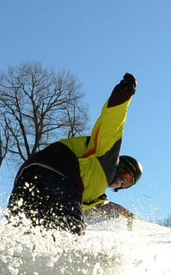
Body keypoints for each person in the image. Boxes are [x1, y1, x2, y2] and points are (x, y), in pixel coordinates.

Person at [8, 72, 142, 235]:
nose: (120, 183)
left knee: (26, 228)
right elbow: (111, 124)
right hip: (59, 170)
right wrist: (124, 93)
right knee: (73, 229)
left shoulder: (95, 195)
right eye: (125, 177)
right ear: (120, 165)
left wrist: (127, 215)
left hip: (28, 176)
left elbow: (104, 206)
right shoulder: (106, 157)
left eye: (125, 185)